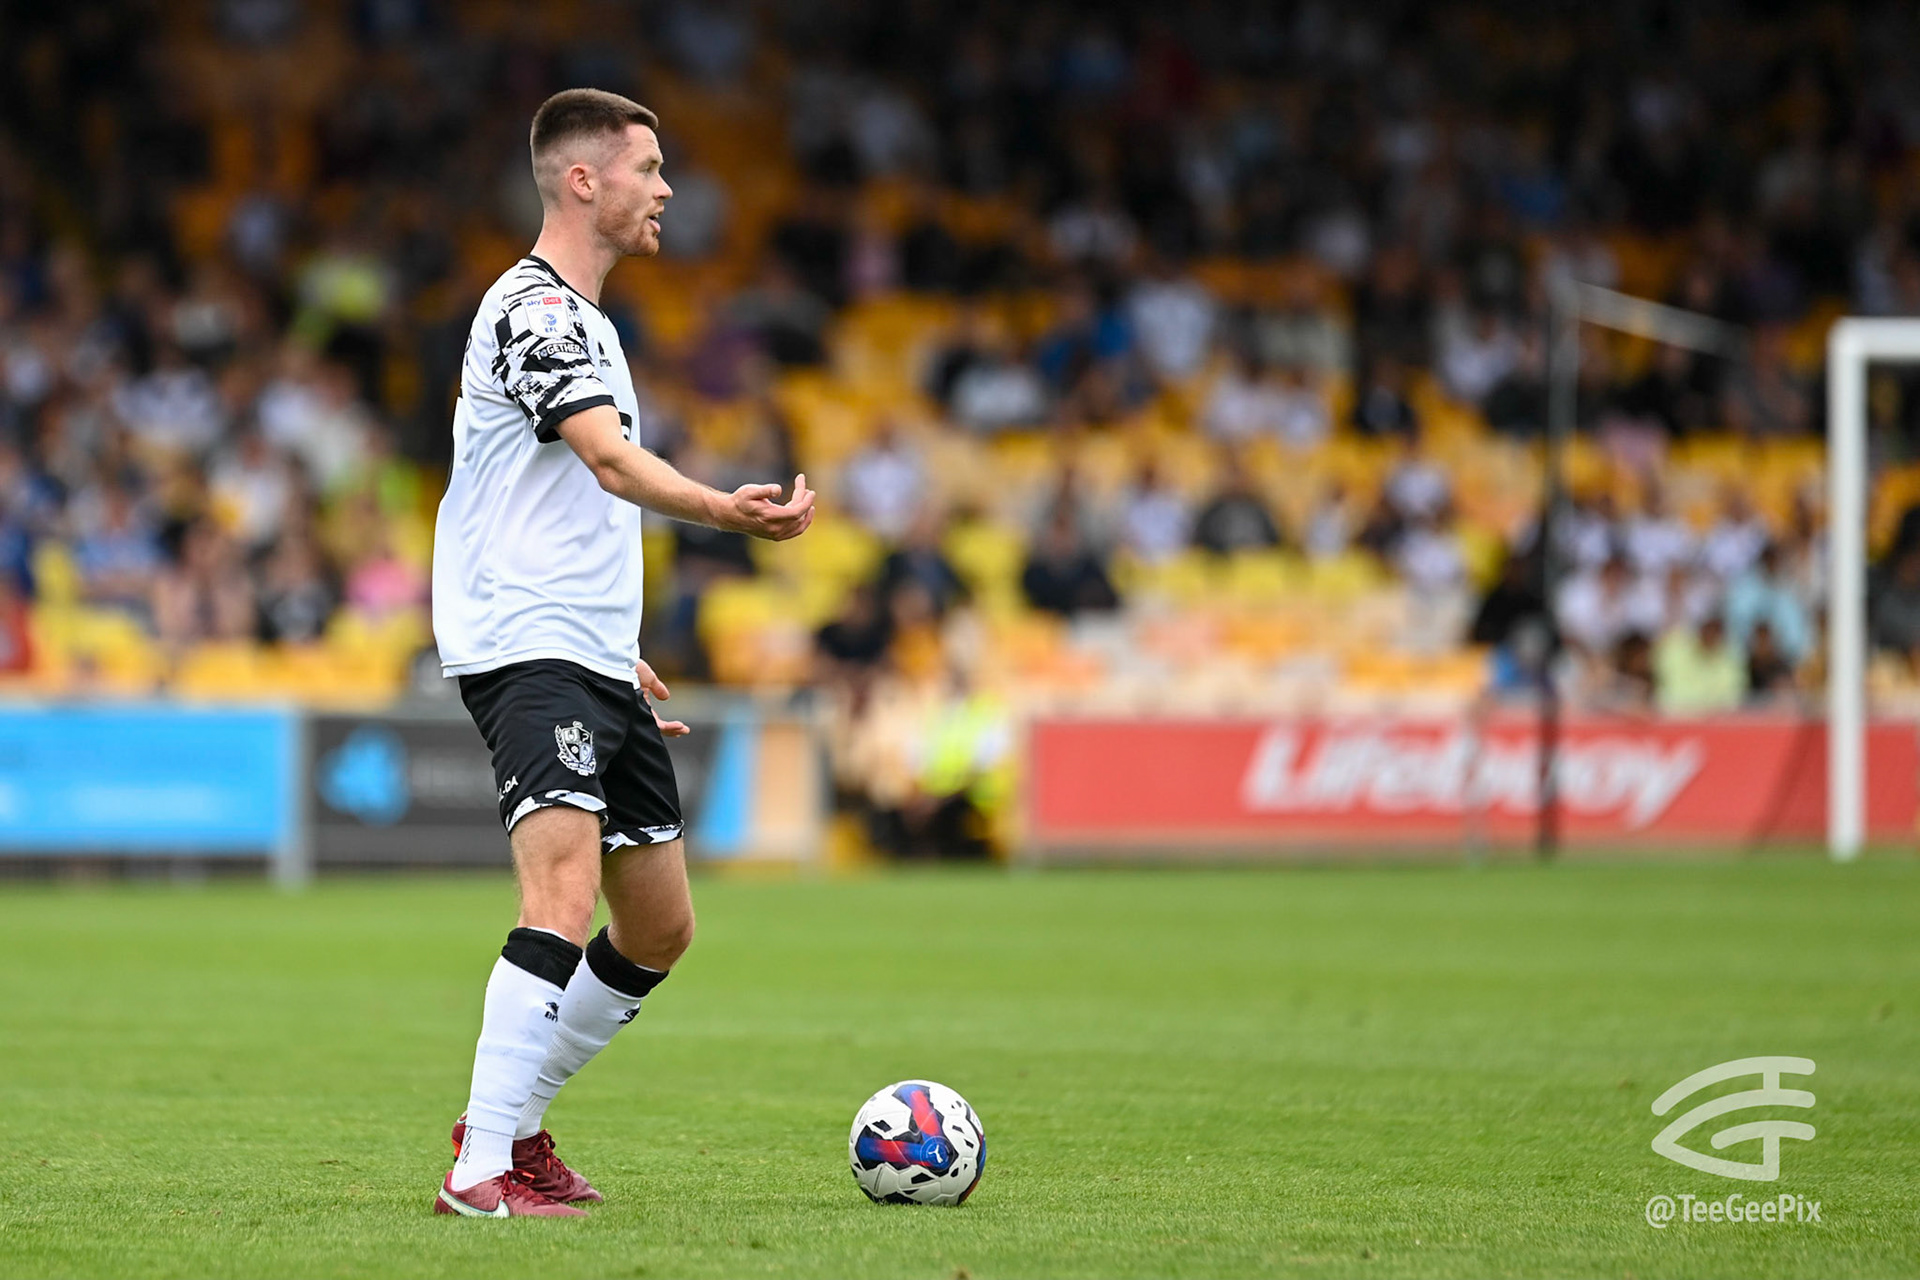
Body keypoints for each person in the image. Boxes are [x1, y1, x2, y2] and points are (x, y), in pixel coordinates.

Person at [428, 89, 815, 1219]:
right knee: (559, 890)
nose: (666, 188)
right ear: (582, 179)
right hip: (528, 645)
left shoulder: (592, 324)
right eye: (648, 168)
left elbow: (560, 503)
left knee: (658, 925)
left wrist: (614, 646)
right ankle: (478, 1168)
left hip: (585, 648)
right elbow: (605, 461)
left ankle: (517, 1125)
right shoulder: (532, 309)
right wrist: (723, 509)